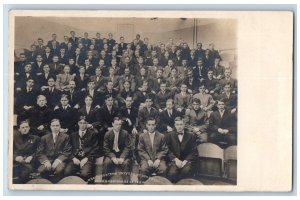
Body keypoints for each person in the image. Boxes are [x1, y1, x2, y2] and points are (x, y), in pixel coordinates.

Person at [64, 116, 99, 182]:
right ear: (78, 123)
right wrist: (73, 158)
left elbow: (95, 148)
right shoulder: (73, 135)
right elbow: (69, 149)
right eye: (81, 123)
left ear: (87, 124)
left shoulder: (92, 134)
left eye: (84, 123)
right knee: (67, 172)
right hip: (75, 158)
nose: (82, 125)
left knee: (85, 174)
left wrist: (86, 158)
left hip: (87, 158)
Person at [165, 117, 198, 183]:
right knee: (172, 174)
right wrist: (175, 159)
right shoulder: (169, 135)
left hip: (186, 161)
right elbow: (167, 150)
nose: (179, 127)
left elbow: (194, 151)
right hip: (175, 161)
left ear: (184, 125)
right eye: (177, 125)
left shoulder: (191, 136)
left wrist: (185, 161)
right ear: (174, 125)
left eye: (181, 124)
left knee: (186, 172)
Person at [137, 118, 168, 182]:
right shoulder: (142, 136)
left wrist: (158, 159)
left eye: (153, 125)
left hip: (158, 159)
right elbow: (141, 150)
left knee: (163, 169)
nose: (151, 127)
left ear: (155, 126)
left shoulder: (161, 136)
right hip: (146, 159)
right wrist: (148, 159)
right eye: (149, 125)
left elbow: (164, 149)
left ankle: (161, 187)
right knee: (143, 169)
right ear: (146, 125)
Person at [102, 117, 132, 183]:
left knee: (126, 163)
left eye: (119, 124)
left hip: (122, 154)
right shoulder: (108, 134)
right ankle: (104, 182)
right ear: (112, 124)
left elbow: (127, 147)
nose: (118, 126)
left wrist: (122, 157)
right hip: (111, 154)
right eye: (116, 124)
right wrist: (113, 157)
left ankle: (126, 183)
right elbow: (105, 148)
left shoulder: (125, 133)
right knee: (106, 163)